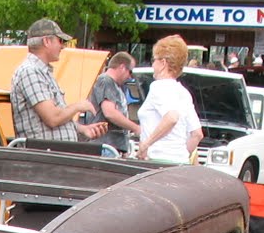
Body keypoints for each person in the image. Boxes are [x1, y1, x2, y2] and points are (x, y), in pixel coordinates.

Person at [10, 18, 104, 144]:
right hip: (43, 156)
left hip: (52, 154)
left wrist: (82, 129)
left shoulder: (41, 71)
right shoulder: (30, 71)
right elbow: (52, 118)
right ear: (47, 41)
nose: (63, 46)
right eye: (60, 41)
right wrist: (78, 106)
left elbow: (54, 118)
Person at [136, 35, 202, 164]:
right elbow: (197, 134)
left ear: (163, 63)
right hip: (179, 162)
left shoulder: (158, 87)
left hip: (156, 160)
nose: (153, 64)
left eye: (154, 60)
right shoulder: (183, 92)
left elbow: (172, 117)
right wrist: (181, 156)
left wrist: (146, 144)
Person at [85, 52, 139, 154]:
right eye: (130, 72)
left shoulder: (115, 85)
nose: (130, 77)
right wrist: (135, 128)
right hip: (106, 147)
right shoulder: (105, 81)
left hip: (112, 147)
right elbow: (110, 113)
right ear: (122, 67)